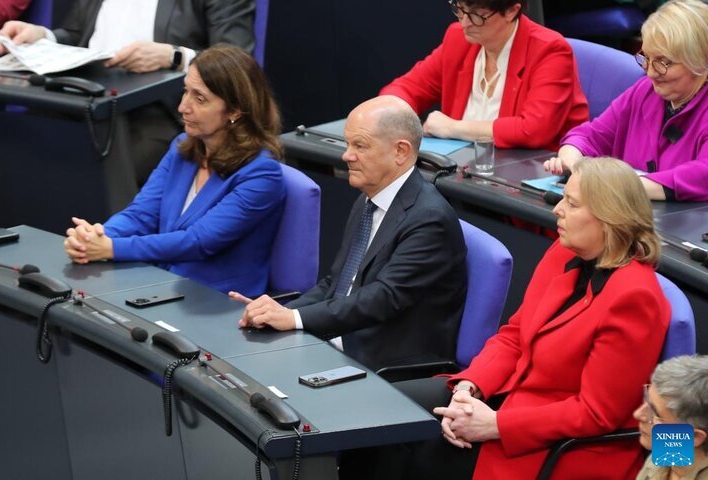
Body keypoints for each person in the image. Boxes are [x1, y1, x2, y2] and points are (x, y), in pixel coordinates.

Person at [345, 157, 670, 480]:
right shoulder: (564, 251)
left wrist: (495, 425)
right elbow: (514, 335)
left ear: (609, 219)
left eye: (571, 204)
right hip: (505, 396)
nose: (557, 210)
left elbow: (595, 413)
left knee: (416, 453)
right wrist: (469, 387)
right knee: (382, 411)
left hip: (553, 441)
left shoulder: (634, 298)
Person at [229, 96, 467, 371]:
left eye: (360, 146)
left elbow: (383, 298)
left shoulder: (429, 219)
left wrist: (294, 318)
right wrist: (281, 312)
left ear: (401, 151)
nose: (346, 155)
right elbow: (336, 283)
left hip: (385, 366)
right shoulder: (369, 199)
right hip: (340, 342)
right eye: (347, 144)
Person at [63, 45, 285, 298]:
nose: (182, 107)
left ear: (234, 111)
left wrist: (110, 248)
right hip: (162, 282)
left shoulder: (262, 174)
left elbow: (198, 241)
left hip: (215, 300)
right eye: (185, 91)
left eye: (199, 99)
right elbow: (141, 214)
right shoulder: (182, 148)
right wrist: (95, 237)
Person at [0, 0, 256, 185]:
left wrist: (174, 56)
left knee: (107, 170)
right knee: (19, 144)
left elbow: (237, 61)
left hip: (158, 110)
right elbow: (78, 35)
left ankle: (102, 243)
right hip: (83, 98)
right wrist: (44, 36)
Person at [544, 0, 708, 201]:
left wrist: (622, 186)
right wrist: (571, 160)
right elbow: (589, 135)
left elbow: (702, 174)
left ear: (701, 62)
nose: (651, 72)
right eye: (646, 58)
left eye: (664, 62)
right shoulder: (644, 91)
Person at [379, 0, 588, 150]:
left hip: (527, 178)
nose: (464, 23)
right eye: (460, 9)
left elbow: (532, 130)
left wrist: (453, 128)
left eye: (477, 16)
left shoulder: (549, 50)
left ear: (512, 11)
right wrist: (388, 115)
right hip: (462, 175)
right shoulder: (458, 38)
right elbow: (406, 88)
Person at [634, 355, 708, 480]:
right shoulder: (665, 455)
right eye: (647, 401)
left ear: (694, 436)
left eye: (655, 413)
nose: (637, 414)